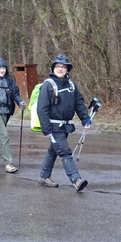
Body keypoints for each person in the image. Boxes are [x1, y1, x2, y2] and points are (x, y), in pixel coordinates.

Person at [36, 54, 90, 192]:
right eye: (58, 66)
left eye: (63, 67)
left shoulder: (72, 85)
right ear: (53, 68)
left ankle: (43, 176)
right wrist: (46, 130)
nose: (60, 69)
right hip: (54, 127)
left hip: (65, 126)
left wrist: (85, 119)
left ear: (67, 69)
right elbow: (42, 109)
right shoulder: (48, 85)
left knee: (53, 151)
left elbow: (79, 103)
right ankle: (76, 180)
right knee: (64, 151)